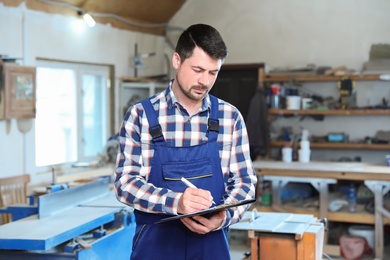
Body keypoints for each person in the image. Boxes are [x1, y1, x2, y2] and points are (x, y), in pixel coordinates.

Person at [114, 23, 257, 260]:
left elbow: (244, 182)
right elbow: (125, 183)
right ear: (177, 60)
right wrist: (175, 202)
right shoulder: (140, 116)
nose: (205, 81)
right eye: (198, 69)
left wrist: (225, 216)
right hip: (155, 247)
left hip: (211, 245)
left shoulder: (230, 118)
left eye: (213, 72)